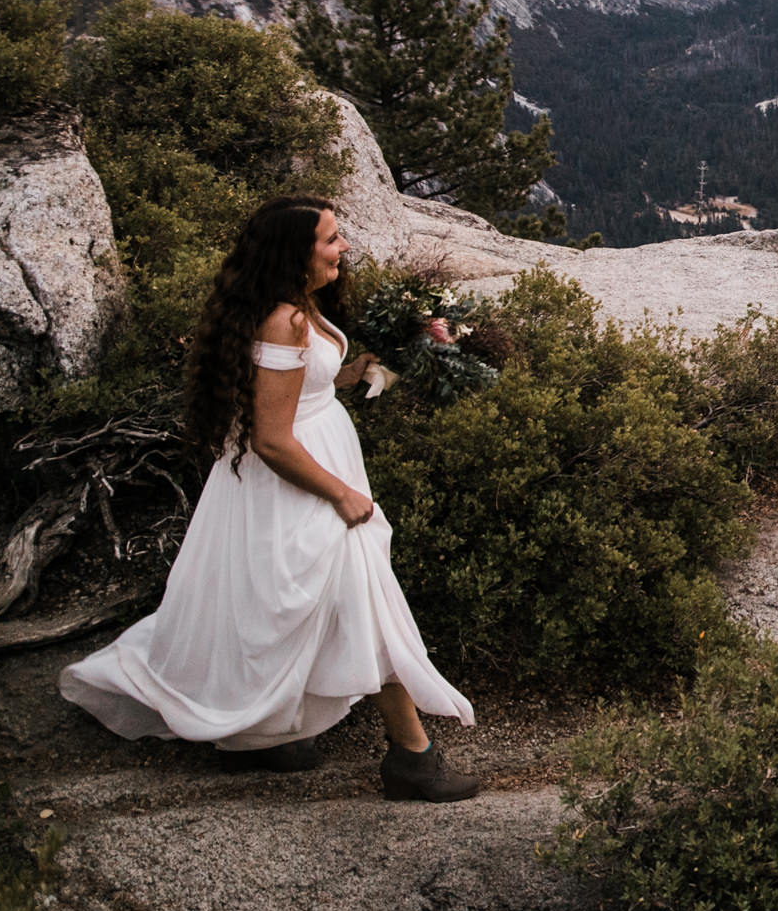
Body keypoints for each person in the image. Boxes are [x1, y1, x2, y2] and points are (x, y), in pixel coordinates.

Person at [61, 195, 480, 800]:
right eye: (331, 240)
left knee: (287, 608)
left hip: (311, 468)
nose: (343, 249)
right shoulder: (280, 319)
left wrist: (359, 368)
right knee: (364, 599)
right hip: (299, 481)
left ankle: (271, 731)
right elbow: (272, 438)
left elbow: (295, 385)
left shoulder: (298, 307)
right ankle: (412, 754)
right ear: (295, 252)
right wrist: (341, 495)